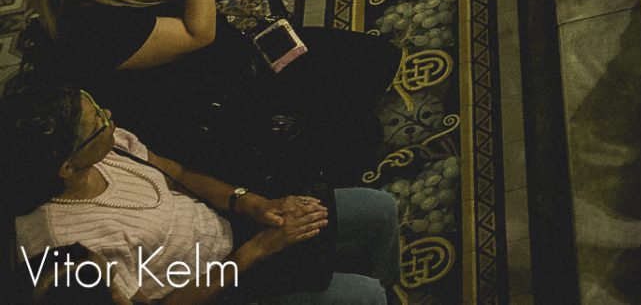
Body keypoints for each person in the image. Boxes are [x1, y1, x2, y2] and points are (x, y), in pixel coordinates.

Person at [13, 0, 400, 189]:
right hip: (214, 103)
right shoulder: (90, 25)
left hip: (236, 54)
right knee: (359, 132)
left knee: (377, 59)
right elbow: (200, 33)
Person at [5, 82, 402, 305]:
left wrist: (250, 201)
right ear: (67, 167)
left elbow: (176, 174)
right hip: (219, 288)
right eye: (99, 121)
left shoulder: (109, 147)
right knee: (364, 296)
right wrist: (258, 250)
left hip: (233, 228)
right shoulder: (69, 251)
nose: (110, 116)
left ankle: (370, 275)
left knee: (378, 209)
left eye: (96, 105)